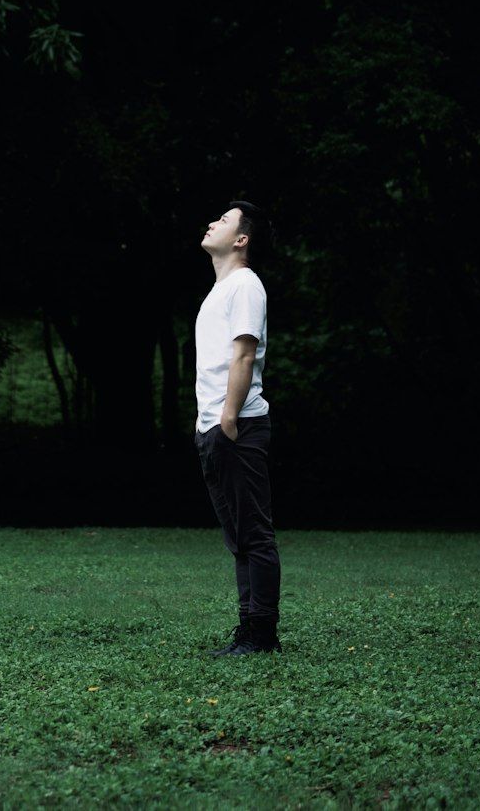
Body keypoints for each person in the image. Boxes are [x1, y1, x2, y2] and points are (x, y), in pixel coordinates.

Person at [195, 199, 282, 656]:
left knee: (254, 535)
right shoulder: (221, 289)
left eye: (224, 221)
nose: (212, 223)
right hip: (215, 426)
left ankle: (261, 634)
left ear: (242, 239)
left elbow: (244, 355)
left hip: (238, 425)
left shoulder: (245, 285)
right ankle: (248, 630)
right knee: (239, 538)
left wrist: (228, 419)